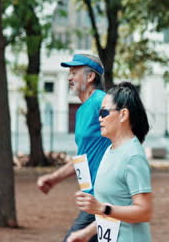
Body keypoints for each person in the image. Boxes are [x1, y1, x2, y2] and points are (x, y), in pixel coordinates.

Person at [37, 54, 111, 242]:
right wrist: (54, 179)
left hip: (104, 195)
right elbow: (82, 158)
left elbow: (126, 133)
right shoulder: (81, 112)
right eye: (69, 73)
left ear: (90, 77)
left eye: (74, 72)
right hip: (90, 198)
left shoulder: (103, 102)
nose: (69, 77)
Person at [67, 81, 152, 242]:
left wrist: (101, 208)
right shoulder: (110, 150)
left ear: (123, 115)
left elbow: (144, 211)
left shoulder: (133, 156)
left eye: (104, 113)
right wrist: (86, 233)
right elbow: (115, 208)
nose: (99, 118)